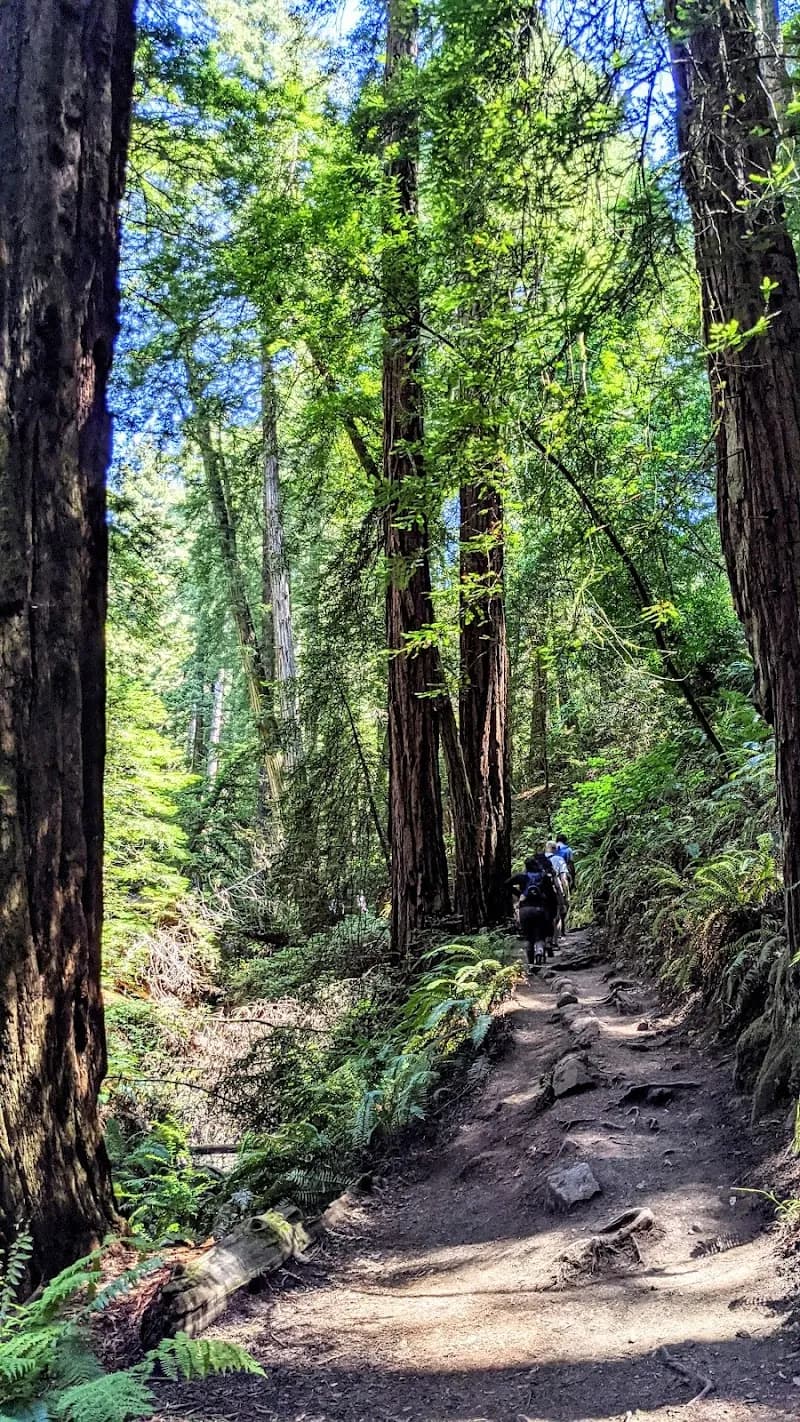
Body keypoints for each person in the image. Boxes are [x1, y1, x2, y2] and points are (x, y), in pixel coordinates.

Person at [506, 857, 558, 971]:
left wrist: (519, 893)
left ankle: (531, 965)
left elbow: (506, 884)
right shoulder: (544, 877)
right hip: (540, 909)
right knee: (540, 936)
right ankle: (539, 951)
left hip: (525, 910)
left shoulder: (521, 877)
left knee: (529, 938)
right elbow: (552, 896)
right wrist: (553, 910)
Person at [545, 840, 570, 940]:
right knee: (557, 915)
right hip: (554, 890)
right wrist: (566, 894)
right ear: (555, 849)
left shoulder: (538, 859)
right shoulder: (559, 859)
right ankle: (555, 940)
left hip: (539, 891)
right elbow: (564, 879)